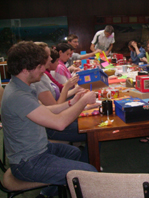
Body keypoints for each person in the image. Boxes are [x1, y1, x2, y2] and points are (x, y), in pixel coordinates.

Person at [2, 41, 98, 198]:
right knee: (89, 173)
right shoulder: (18, 96)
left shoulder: (21, 86)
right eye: (39, 66)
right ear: (25, 69)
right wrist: (83, 101)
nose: (43, 68)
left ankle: (47, 193)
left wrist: (71, 103)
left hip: (38, 150)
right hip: (28, 162)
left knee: (74, 153)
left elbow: (43, 110)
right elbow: (59, 124)